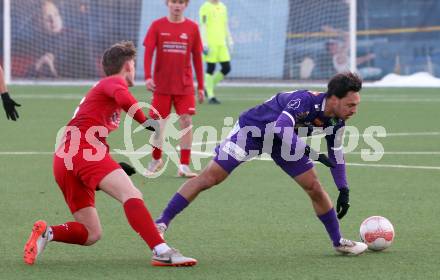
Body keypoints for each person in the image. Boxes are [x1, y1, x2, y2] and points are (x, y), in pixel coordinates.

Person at [23, 41, 197, 267]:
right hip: (82, 150)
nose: (135, 70)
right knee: (131, 194)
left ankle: (47, 233)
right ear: (127, 66)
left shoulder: (103, 88)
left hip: (65, 158)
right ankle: (161, 251)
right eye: (134, 64)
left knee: (91, 233)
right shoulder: (114, 82)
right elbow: (124, 99)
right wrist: (148, 123)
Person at [155, 72, 368, 255]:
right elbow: (282, 126)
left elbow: (336, 153)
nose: (354, 110)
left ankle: (338, 241)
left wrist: (343, 188)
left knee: (314, 187)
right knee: (211, 178)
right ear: (334, 99)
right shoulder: (304, 100)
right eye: (350, 105)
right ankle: (161, 223)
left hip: (282, 142)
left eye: (356, 105)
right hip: (252, 131)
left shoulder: (337, 121)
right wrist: (309, 151)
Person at [143, 0, 204, 178]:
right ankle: (156, 159)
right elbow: (148, 53)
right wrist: (147, 76)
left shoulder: (192, 28)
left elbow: (197, 58)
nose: (177, 5)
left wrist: (201, 86)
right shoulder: (157, 26)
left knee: (186, 121)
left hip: (184, 87)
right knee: (159, 125)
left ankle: (184, 165)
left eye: (181, 2)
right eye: (174, 2)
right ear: (167, 3)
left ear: (186, 5)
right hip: (162, 86)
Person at [199, 0, 233, 104]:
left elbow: (225, 24)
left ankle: (207, 88)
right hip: (210, 43)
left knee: (227, 68)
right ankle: (211, 96)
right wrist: (204, 42)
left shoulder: (223, 6)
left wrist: (230, 40)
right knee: (211, 68)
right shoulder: (205, 7)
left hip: (221, 43)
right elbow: (202, 25)